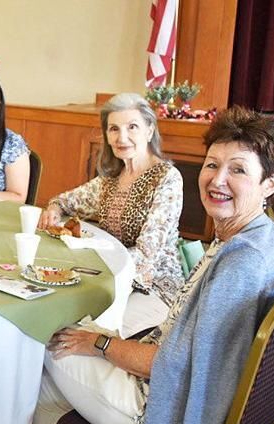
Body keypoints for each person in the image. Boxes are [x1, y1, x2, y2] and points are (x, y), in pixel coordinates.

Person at [34, 107, 274, 424]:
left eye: (238, 170)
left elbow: (171, 364)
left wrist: (100, 343)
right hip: (214, 410)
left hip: (174, 417)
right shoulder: (264, 240)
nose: (218, 180)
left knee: (42, 344)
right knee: (49, 393)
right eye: (212, 165)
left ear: (271, 182)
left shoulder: (243, 263)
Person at [38, 93, 184, 336]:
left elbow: (147, 253)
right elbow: (66, 200)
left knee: (85, 334)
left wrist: (97, 270)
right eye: (114, 129)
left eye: (132, 127)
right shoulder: (111, 179)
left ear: (149, 130)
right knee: (53, 323)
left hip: (153, 288)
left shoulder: (167, 178)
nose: (122, 137)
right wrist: (54, 208)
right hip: (110, 280)